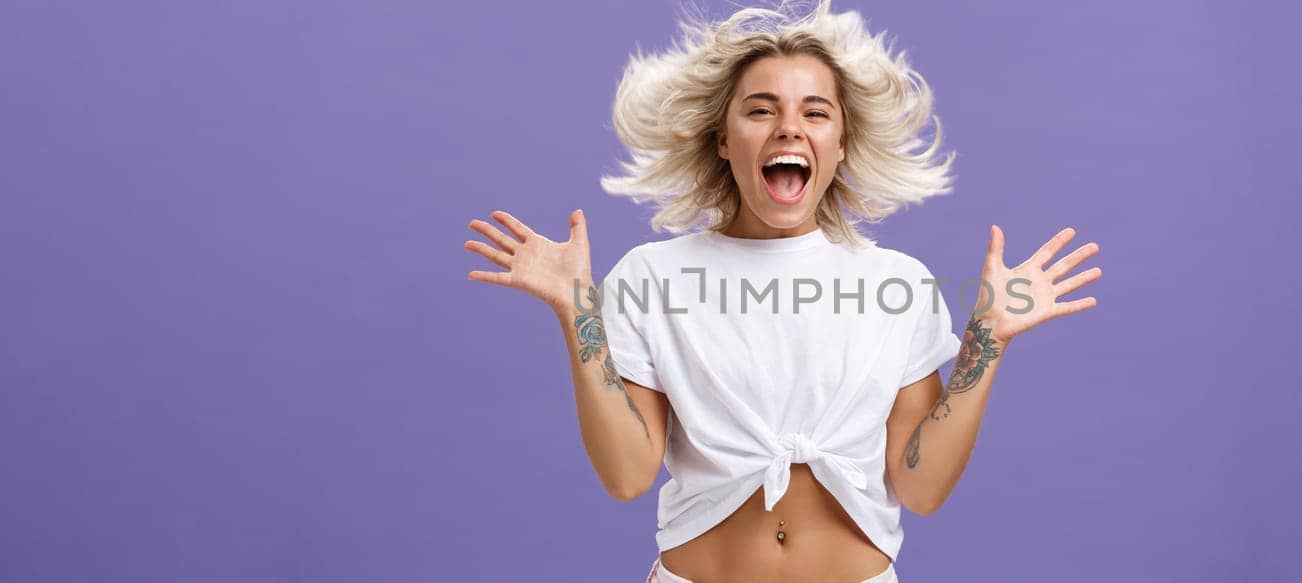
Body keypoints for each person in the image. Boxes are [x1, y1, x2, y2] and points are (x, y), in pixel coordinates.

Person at [463, 1, 1103, 580]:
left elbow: (922, 487)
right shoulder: (652, 276)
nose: (789, 128)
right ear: (723, 138)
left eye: (815, 113)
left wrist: (987, 338)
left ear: (840, 142)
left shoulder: (896, 284)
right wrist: (578, 312)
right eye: (761, 109)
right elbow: (628, 476)